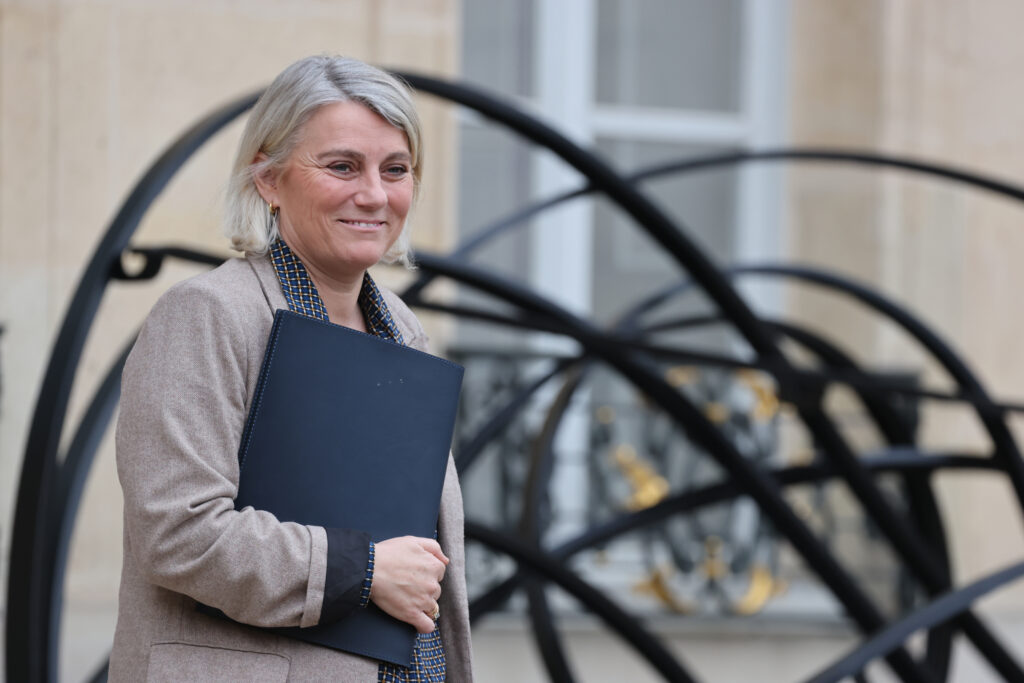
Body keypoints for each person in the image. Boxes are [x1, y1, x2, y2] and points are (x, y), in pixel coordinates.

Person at [109, 55, 473, 682]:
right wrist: (363, 571)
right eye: (342, 166)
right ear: (268, 180)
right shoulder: (207, 314)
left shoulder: (403, 330)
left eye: (395, 169)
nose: (374, 194)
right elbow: (177, 532)